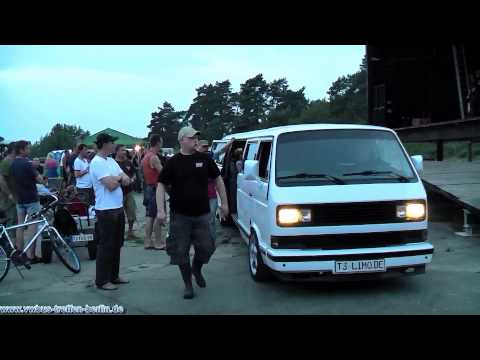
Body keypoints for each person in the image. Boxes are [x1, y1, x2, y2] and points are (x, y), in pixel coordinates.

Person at [156, 127, 229, 299]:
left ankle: (197, 268)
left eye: (197, 137)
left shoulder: (205, 159)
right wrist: (160, 210)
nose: (196, 140)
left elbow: (218, 180)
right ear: (182, 140)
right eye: (192, 137)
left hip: (203, 214)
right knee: (180, 251)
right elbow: (160, 185)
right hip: (179, 216)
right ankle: (188, 284)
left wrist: (224, 203)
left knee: (207, 247)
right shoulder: (173, 162)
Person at [89, 133, 132, 291]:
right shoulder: (97, 163)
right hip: (105, 210)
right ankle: (102, 280)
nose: (115, 146)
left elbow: (126, 177)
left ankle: (114, 276)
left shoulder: (111, 161)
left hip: (117, 208)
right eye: (112, 143)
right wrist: (119, 178)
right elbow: (111, 185)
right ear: (105, 144)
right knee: (106, 246)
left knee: (116, 244)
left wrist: (118, 178)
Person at [10, 141, 46, 264]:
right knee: (33, 226)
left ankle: (20, 253)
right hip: (31, 198)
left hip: (19, 199)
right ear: (21, 150)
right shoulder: (28, 164)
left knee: (20, 226)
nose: (29, 150)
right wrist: (44, 179)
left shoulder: (13, 163)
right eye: (28, 149)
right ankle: (31, 255)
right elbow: (40, 180)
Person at [141, 135, 165, 250]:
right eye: (161, 141)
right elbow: (163, 173)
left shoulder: (146, 156)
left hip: (147, 187)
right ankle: (158, 242)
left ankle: (148, 241)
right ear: (158, 142)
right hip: (155, 188)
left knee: (150, 215)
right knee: (157, 216)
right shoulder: (154, 157)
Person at [196, 140, 219, 244]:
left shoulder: (210, 159)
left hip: (212, 196)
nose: (205, 149)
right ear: (198, 147)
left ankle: (211, 240)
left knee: (211, 220)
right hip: (199, 196)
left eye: (207, 147)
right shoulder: (193, 160)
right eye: (203, 147)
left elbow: (218, 180)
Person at [114, 144, 139, 239]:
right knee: (118, 214)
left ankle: (130, 231)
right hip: (118, 193)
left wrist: (131, 180)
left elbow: (134, 175)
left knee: (131, 211)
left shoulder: (128, 162)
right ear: (117, 151)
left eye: (125, 150)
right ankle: (118, 232)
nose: (124, 152)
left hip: (129, 192)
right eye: (122, 150)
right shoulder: (113, 164)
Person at [0, 142, 17, 227]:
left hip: (13, 197)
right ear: (14, 150)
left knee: (15, 221)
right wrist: (10, 194)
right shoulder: (6, 162)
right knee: (11, 222)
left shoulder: (12, 161)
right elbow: (1, 180)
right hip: (8, 199)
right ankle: (10, 240)